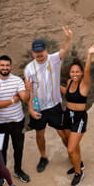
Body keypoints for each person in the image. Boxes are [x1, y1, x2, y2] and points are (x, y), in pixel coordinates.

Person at [24, 25, 75, 175]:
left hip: (54, 106)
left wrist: (68, 38)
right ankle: (43, 157)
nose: (39, 54)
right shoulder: (29, 69)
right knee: (40, 134)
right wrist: (31, 109)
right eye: (36, 52)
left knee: (63, 133)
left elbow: (64, 50)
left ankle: (72, 154)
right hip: (39, 107)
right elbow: (30, 90)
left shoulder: (53, 60)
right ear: (33, 53)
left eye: (41, 51)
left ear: (46, 50)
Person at [0, 54, 30, 182]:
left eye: (7, 65)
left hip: (17, 121)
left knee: (19, 148)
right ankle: (2, 173)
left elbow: (24, 98)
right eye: (2, 65)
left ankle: (18, 170)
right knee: (1, 149)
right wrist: (12, 100)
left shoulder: (17, 80)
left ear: (11, 66)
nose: (5, 67)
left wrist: (27, 90)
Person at [61, 54, 90, 186]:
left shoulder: (84, 84)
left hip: (79, 118)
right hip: (68, 115)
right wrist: (53, 85)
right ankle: (78, 163)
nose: (75, 74)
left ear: (82, 73)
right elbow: (66, 93)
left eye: (77, 71)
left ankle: (79, 173)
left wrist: (89, 55)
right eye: (73, 71)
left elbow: (88, 69)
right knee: (72, 144)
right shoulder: (69, 82)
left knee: (70, 149)